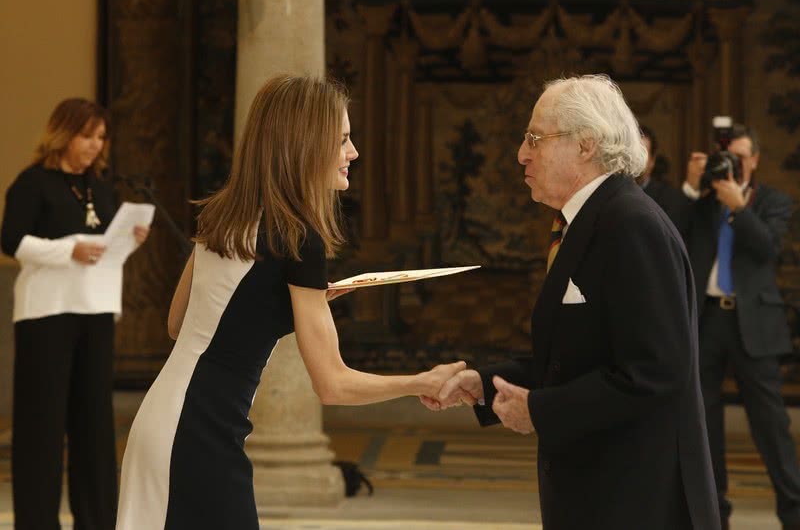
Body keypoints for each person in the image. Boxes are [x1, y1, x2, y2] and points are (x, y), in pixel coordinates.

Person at [114, 75, 466, 530]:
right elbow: (333, 385)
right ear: (304, 145)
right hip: (199, 435)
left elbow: (181, 324)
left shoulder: (224, 213)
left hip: (163, 420)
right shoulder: (301, 241)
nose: (353, 152)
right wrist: (421, 381)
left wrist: (277, 310)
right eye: (342, 139)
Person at [423, 75, 720, 529]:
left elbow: (656, 372)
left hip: (637, 500)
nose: (522, 153)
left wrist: (538, 411)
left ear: (586, 145)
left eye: (535, 139)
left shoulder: (631, 225)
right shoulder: (594, 219)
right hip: (604, 492)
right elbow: (577, 356)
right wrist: (486, 383)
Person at [0, 98, 150, 530]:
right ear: (64, 134)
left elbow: (104, 253)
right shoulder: (33, 183)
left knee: (94, 425)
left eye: (101, 137)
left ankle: (98, 520)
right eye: (87, 136)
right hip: (46, 315)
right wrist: (71, 249)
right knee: (42, 425)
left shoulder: (100, 189)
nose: (94, 146)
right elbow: (12, 242)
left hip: (96, 312)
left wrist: (130, 240)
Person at [681, 124, 800, 530]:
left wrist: (740, 208)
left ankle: (793, 513)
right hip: (708, 318)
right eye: (729, 155)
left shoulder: (774, 201)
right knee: (704, 421)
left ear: (755, 160)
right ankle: (715, 516)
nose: (736, 162)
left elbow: (768, 248)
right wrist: (693, 187)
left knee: (771, 425)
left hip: (754, 323)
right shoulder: (703, 202)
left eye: (743, 156)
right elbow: (673, 231)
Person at [638, 125, 685, 227]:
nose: (636, 160)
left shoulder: (669, 198)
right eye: (632, 153)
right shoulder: (612, 193)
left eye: (642, 154)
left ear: (652, 161)